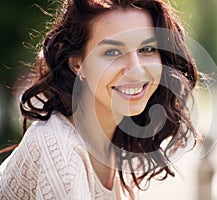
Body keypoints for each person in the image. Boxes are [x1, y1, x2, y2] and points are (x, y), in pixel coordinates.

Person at [0, 0, 200, 199]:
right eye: (113, 52)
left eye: (147, 49)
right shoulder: (60, 148)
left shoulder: (114, 148)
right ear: (78, 64)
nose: (136, 69)